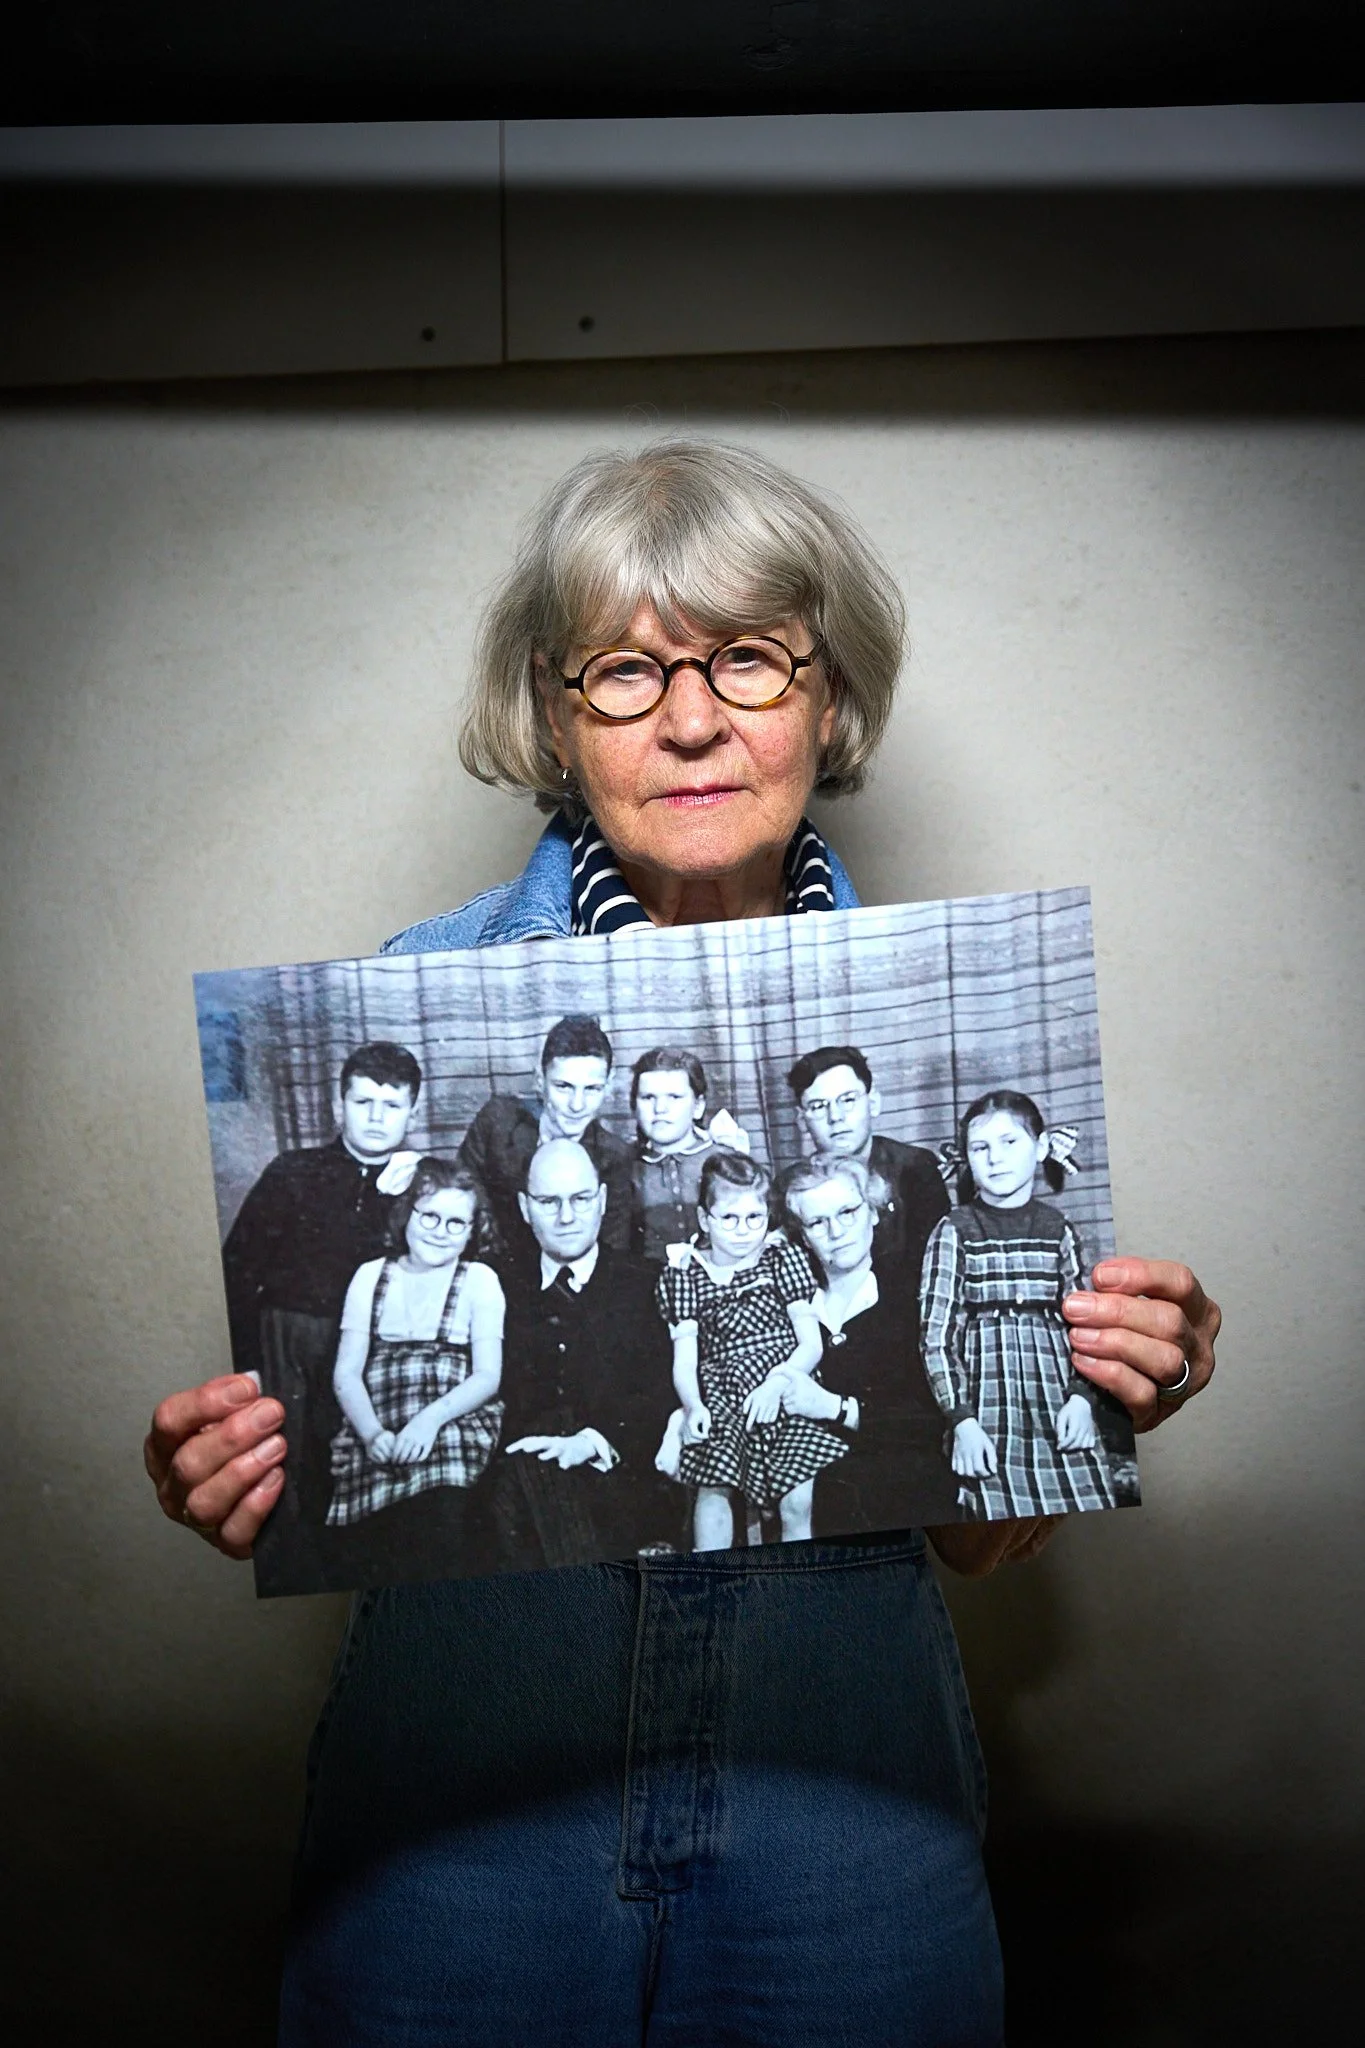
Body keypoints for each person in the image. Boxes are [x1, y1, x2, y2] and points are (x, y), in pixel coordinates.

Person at [146, 441, 1220, 2047]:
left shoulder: (942, 1099)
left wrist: (1095, 1391)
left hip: (844, 1792)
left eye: (748, 657)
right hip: (465, 1797)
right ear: (556, 717)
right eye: (626, 669)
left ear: (830, 700)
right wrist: (238, 1467)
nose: (693, 716)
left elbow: (977, 1536)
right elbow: (347, 1406)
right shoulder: (409, 1017)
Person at [217, 1038, 422, 1592]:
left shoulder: (423, 1185)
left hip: (377, 1352)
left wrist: (400, 1197)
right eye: (364, 1103)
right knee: (288, 1475)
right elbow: (237, 1270)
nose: (377, 1118)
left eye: (393, 1105)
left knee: (367, 1477)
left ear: (413, 1111)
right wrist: (250, 1364)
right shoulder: (293, 1171)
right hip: (292, 1346)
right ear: (340, 1105)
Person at [921, 1089, 1117, 1521]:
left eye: (1010, 1142)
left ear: (1042, 1147)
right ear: (967, 1159)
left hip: (1059, 1406)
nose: (995, 1158)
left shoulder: (1058, 1229)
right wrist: (962, 1421)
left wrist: (1083, 1399)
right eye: (981, 1147)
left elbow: (1090, 1329)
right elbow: (936, 1339)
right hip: (986, 1414)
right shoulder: (955, 1230)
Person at [489, 1138, 679, 1571]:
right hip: (519, 1482)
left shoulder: (648, 1282)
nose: (567, 1217)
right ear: (523, 1206)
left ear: (603, 1200)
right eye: (548, 1201)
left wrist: (590, 1443)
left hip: (621, 1475)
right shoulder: (496, 1283)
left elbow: (664, 1392)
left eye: (580, 1198)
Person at [325, 1157, 505, 1586]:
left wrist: (428, 1423)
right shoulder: (371, 1277)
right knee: (371, 1545)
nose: (440, 1232)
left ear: (473, 1229)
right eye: (429, 1216)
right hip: (377, 1423)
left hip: (449, 1423)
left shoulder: (479, 1280)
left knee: (438, 1526)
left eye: (456, 1223)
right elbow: (346, 1374)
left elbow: (487, 1376)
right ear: (407, 1212)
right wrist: (371, 1435)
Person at [658, 1150, 845, 1548]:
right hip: (723, 1395)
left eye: (754, 1218)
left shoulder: (782, 1259)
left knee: (798, 1499)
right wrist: (693, 1405)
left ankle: (797, 1581)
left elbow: (811, 1344)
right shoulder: (685, 1275)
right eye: (728, 1218)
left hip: (787, 1386)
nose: (743, 1230)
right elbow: (685, 1360)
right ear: (704, 1219)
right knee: (713, 1488)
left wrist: (778, 1383)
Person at [780, 1153, 962, 1535]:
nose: (836, 1231)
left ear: (874, 1214)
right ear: (802, 1236)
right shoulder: (791, 1306)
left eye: (848, 1211)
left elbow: (929, 1420)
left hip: (908, 1493)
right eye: (817, 1222)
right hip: (821, 1502)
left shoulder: (910, 1291)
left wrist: (835, 1408)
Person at [457, 1013, 634, 1271]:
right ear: (539, 1080)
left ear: (608, 1085)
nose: (577, 1105)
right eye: (563, 1086)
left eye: (592, 1089)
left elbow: (611, 1254)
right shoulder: (498, 1123)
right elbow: (462, 1202)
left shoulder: (614, 1157)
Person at [787, 1042, 949, 1281]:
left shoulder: (915, 1168)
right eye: (819, 1106)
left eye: (848, 1100)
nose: (836, 1117)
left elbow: (935, 1265)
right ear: (801, 1120)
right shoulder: (789, 1185)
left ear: (873, 1104)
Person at [629, 1044, 745, 1260]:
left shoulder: (726, 1160)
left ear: (698, 1106)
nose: (660, 1109)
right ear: (634, 1107)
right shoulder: (626, 1166)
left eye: (674, 1097)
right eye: (648, 1098)